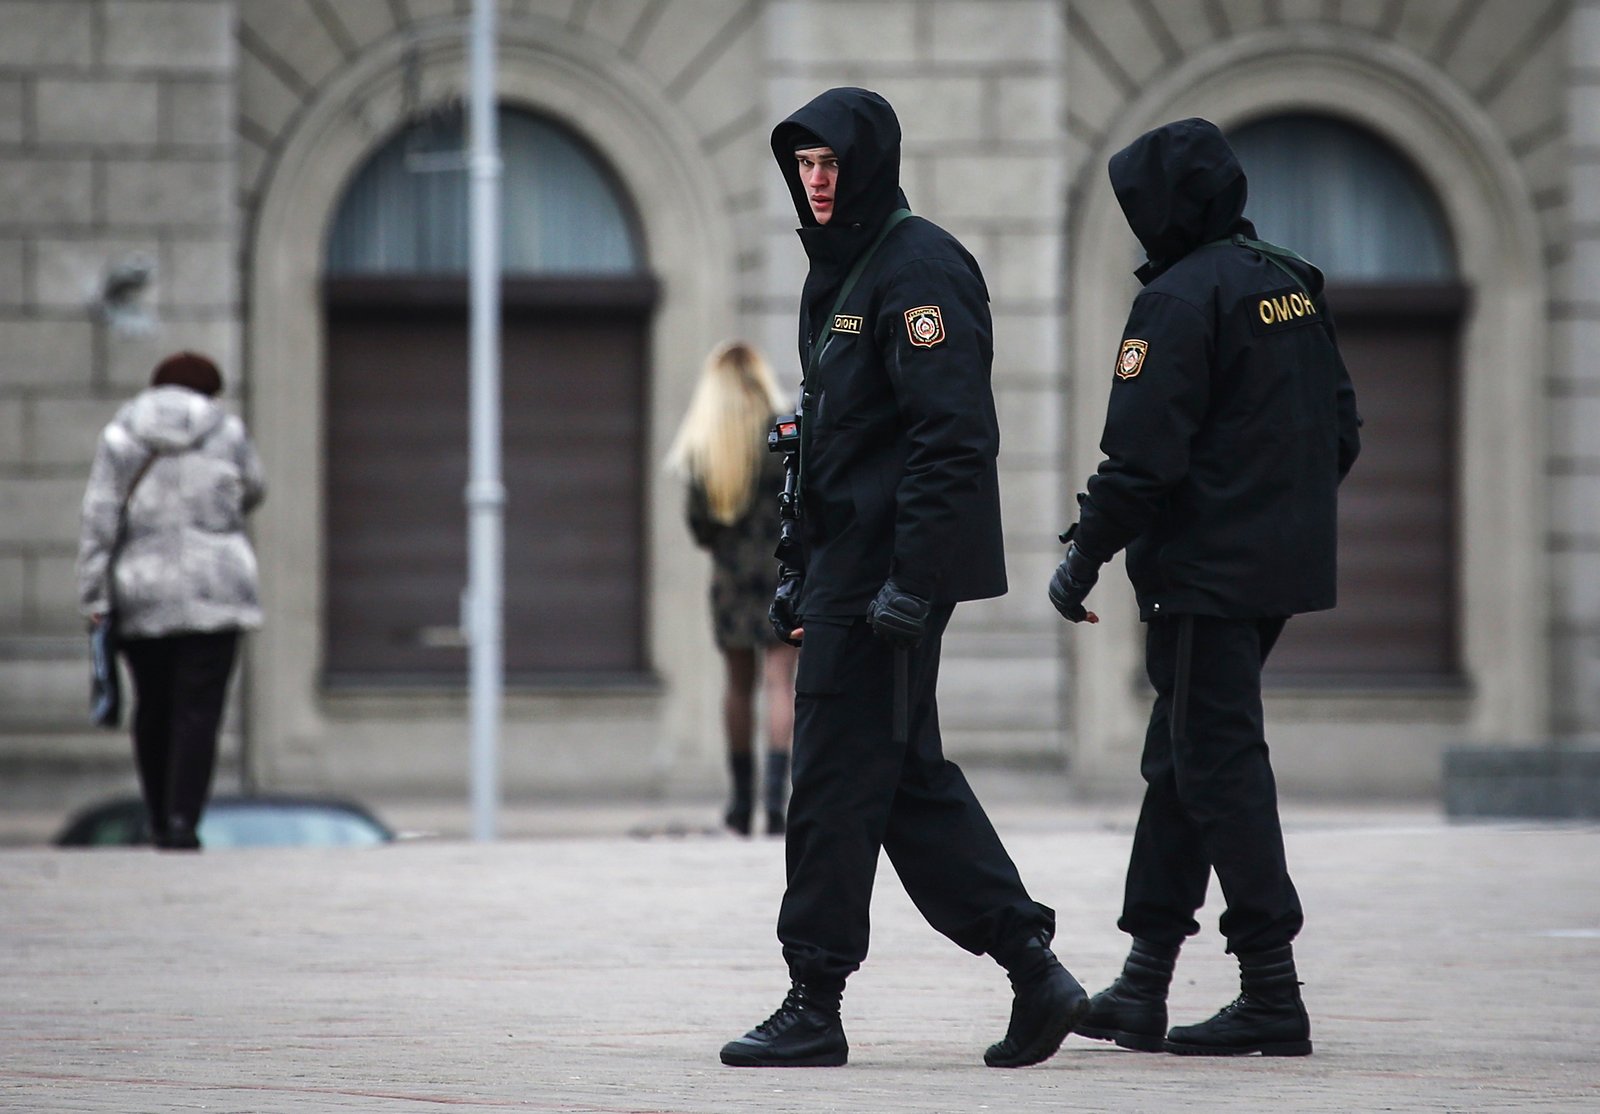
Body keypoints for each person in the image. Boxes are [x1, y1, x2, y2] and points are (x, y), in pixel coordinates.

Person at [719, 87, 1087, 1070]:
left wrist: (912, 582)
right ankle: (1034, 968)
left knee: (831, 782)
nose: (817, 180)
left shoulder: (919, 267)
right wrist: (797, 568)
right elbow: (831, 442)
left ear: (871, 163)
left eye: (832, 163)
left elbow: (952, 439)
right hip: (847, 567)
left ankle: (814, 1000)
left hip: (887, 577)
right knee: (903, 781)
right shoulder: (837, 272)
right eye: (804, 165)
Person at [1049, 118, 1361, 1056]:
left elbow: (1141, 460)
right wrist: (1275, 516)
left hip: (1202, 578)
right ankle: (1144, 984)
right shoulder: (1290, 282)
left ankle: (1271, 990)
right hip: (1272, 572)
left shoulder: (1179, 300)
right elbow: (1341, 429)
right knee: (1181, 763)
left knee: (1218, 768)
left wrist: (1083, 556)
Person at [76, 352, 265, 851]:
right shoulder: (228, 432)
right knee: (199, 710)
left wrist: (93, 595)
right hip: (216, 589)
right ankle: (184, 820)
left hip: (142, 590)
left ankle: (158, 817)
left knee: (153, 706)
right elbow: (254, 488)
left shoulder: (121, 436)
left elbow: (99, 518)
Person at [667, 340, 799, 836]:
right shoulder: (783, 434)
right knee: (780, 683)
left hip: (731, 581)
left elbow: (699, 526)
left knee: (738, 686)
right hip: (783, 574)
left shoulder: (707, 444)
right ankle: (776, 803)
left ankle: (741, 805)